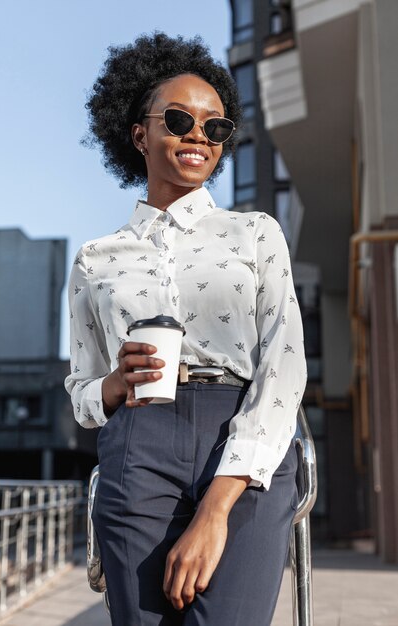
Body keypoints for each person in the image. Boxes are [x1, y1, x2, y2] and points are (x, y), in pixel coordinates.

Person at [65, 32, 307, 626]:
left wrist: (215, 509)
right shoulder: (96, 258)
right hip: (139, 439)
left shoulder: (255, 232)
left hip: (245, 435)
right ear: (139, 134)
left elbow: (285, 362)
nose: (199, 134)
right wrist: (112, 387)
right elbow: (81, 391)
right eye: (178, 119)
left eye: (215, 126)